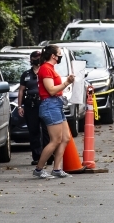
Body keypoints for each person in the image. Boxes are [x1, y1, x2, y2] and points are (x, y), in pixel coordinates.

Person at [32, 45, 75, 179]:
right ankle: (39, 169)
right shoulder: (45, 69)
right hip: (50, 105)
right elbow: (50, 90)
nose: (60, 56)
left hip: (56, 104)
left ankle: (56, 169)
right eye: (59, 54)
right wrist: (67, 82)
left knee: (65, 138)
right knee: (55, 140)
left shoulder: (50, 68)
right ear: (53, 56)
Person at [17, 51, 52, 166]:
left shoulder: (46, 71)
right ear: (31, 60)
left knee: (47, 131)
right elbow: (21, 90)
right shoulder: (26, 74)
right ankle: (37, 156)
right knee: (34, 131)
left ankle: (49, 155)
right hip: (31, 104)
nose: (38, 59)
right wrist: (19, 106)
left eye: (40, 57)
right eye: (35, 57)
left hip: (44, 103)